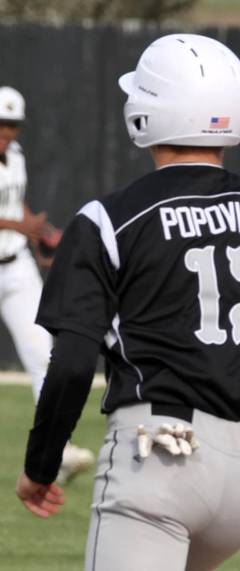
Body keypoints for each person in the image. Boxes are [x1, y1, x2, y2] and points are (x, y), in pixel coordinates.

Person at [15, 33, 240, 571]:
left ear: (144, 113)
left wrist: (40, 467)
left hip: (156, 456)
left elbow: (69, 366)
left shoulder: (108, 220)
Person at [0, 85, 95, 485]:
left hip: (15, 264)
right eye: (1, 124)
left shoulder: (16, 156)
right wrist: (24, 225)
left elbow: (12, 201)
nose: (6, 131)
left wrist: (38, 234)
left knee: (43, 351)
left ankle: (59, 450)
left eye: (13, 125)